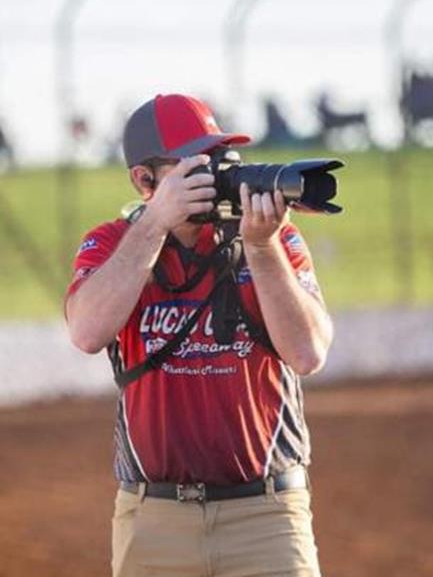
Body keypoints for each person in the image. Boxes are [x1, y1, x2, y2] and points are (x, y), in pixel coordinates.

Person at [64, 93, 333, 577]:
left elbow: (309, 353)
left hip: (267, 515)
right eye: (195, 165)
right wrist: (154, 225)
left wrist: (262, 247)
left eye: (218, 159)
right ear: (145, 180)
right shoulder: (113, 243)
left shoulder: (272, 237)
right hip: (153, 519)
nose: (214, 173)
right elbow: (86, 331)